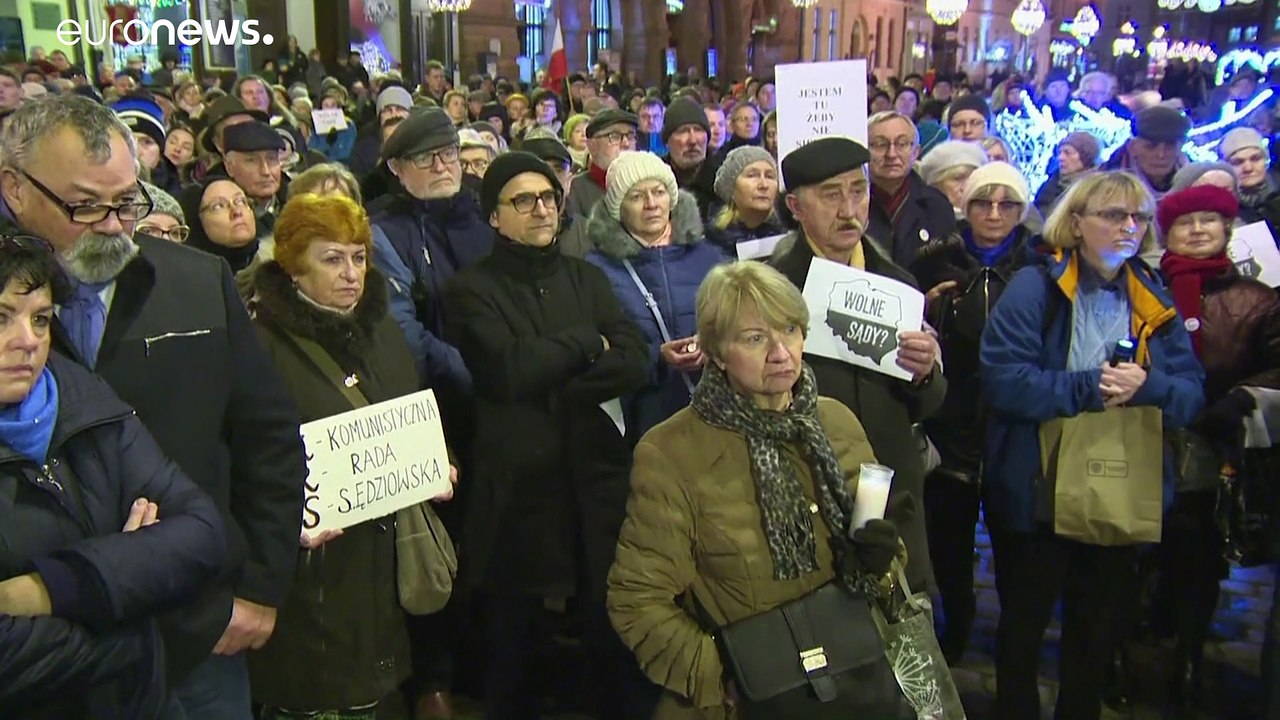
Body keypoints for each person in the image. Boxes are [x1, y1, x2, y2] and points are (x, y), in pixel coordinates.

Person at [0, 94, 307, 720]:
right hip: (44, 659)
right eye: (85, 205)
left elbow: (269, 442)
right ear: (15, 188)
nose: (115, 225)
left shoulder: (198, 283)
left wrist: (259, 589)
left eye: (128, 201)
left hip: (197, 632)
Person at [607, 260, 912, 717]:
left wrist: (880, 561)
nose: (781, 353)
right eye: (754, 338)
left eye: (790, 329)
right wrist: (725, 680)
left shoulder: (835, 422)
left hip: (852, 680)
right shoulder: (672, 452)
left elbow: (882, 573)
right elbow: (637, 600)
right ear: (717, 352)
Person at [979, 171, 1205, 720]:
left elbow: (1192, 395)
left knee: (1094, 634)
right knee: (1023, 632)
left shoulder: (1151, 292)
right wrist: (1091, 388)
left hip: (1117, 485)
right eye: (1112, 215)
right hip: (1034, 486)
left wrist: (1146, 386)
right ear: (1076, 223)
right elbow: (1003, 380)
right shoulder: (1035, 286)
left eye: (1138, 217)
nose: (1128, 227)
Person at [443, 152, 650, 719]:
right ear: (493, 218)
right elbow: (507, 370)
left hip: (594, 478)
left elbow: (635, 359)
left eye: (549, 198)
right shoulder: (469, 289)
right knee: (518, 643)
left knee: (601, 628)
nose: (541, 209)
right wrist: (587, 343)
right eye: (523, 200)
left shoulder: (586, 277)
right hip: (519, 488)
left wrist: (557, 379)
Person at [245, 192, 456, 719]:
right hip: (314, 576)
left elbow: (407, 409)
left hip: (384, 561)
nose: (351, 273)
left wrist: (435, 460)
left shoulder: (381, 327)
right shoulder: (259, 345)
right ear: (293, 267)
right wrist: (285, 518)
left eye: (359, 256)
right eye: (332, 258)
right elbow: (242, 457)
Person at [0, 234, 226, 718]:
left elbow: (201, 532)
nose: (28, 341)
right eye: (2, 318)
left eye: (40, 318)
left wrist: (56, 588)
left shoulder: (83, 398)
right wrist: (134, 598)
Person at [770, 136, 944, 592]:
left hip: (892, 488)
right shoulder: (772, 290)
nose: (850, 209)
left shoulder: (899, 286)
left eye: (858, 191)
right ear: (795, 206)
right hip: (807, 484)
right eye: (831, 195)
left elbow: (926, 404)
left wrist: (926, 373)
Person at [1151, 184, 1280, 709]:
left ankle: (1187, 654)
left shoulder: (1258, 298)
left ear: (1227, 228)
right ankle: (1128, 647)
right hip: (1150, 428)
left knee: (1197, 551)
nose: (1199, 229)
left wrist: (1244, 398)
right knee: (1139, 548)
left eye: (1209, 220)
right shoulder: (1145, 286)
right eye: (1187, 222)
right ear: (1169, 232)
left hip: (1215, 439)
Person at [907, 162, 1037, 663]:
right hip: (951, 421)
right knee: (949, 548)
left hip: (1014, 426)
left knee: (1016, 547)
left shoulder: (1038, 266)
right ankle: (955, 630)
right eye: (983, 201)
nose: (994, 213)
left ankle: (1015, 640)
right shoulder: (937, 260)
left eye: (1007, 204)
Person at [585, 151, 727, 440]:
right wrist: (655, 358)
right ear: (618, 208)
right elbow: (595, 352)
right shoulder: (596, 270)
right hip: (644, 420)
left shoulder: (712, 257)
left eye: (659, 192)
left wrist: (711, 344)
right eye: (637, 197)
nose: (651, 204)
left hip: (718, 411)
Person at [369, 108, 480, 394]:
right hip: (442, 389)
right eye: (423, 157)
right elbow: (401, 327)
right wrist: (462, 373)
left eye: (448, 153)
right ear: (397, 168)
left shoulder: (487, 211)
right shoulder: (385, 232)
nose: (440, 166)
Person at [866, 111, 955, 267]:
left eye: (902, 144)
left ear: (915, 152)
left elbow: (949, 266)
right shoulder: (851, 204)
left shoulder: (936, 205)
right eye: (880, 144)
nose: (891, 154)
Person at [562, 109, 638, 255]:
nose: (626, 143)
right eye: (614, 136)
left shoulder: (647, 186)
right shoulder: (575, 189)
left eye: (630, 135)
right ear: (592, 145)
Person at [704, 145, 785, 252]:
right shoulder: (710, 245)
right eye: (752, 175)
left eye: (769, 176)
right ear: (731, 188)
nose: (764, 185)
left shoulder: (788, 242)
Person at [1034, 132, 1101, 218]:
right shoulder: (1052, 183)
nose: (1060, 158)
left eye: (1067, 153)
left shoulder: (1095, 190)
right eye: (1060, 152)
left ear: (1085, 157)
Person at [916, 140, 987, 219]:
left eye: (972, 178)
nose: (965, 187)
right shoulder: (921, 220)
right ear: (936, 184)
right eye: (957, 179)